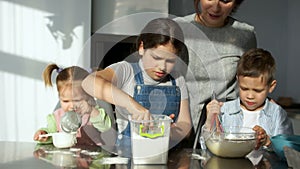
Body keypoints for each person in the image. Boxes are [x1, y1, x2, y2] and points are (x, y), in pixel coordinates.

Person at [82, 18, 192, 154]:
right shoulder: (126, 71)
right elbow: (88, 82)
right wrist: (132, 105)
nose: (162, 67)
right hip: (129, 156)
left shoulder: (177, 80)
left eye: (170, 61)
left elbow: (185, 125)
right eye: (156, 58)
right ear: (141, 48)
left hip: (167, 157)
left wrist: (168, 131)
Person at [174, 0, 257, 132]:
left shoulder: (245, 35)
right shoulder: (178, 27)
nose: (216, 7)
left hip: (224, 127)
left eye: (225, 0)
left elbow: (252, 81)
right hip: (179, 125)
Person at [204, 48, 294, 149]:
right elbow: (206, 147)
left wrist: (268, 141)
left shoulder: (277, 115)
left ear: (271, 87)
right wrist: (209, 121)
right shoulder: (224, 111)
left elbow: (288, 152)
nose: (250, 96)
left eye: (257, 91)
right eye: (244, 88)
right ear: (238, 82)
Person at [33, 64, 112, 146]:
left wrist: (91, 110)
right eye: (65, 101)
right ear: (59, 98)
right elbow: (52, 134)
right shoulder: (56, 117)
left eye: (77, 100)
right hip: (67, 157)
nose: (72, 106)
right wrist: (44, 134)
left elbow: (106, 127)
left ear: (89, 96)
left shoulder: (92, 113)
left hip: (93, 156)